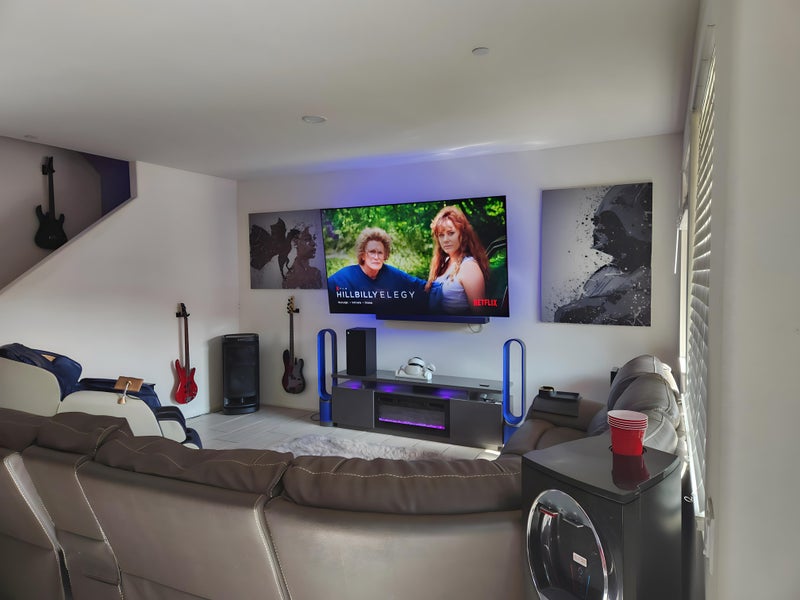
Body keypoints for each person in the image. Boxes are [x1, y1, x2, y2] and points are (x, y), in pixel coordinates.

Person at [554, 183, 652, 325]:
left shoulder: (644, 278)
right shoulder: (604, 274)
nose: (597, 228)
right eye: (596, 222)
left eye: (607, 220)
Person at [327, 227, 432, 314]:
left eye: (380, 253)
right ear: (362, 255)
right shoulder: (343, 278)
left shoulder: (393, 275)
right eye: (372, 252)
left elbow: (423, 287)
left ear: (385, 256)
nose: (376, 257)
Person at [424, 205, 490, 315]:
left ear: (463, 234)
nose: (445, 240)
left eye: (451, 233)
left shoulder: (469, 266)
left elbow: (479, 314)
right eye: (441, 235)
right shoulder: (443, 263)